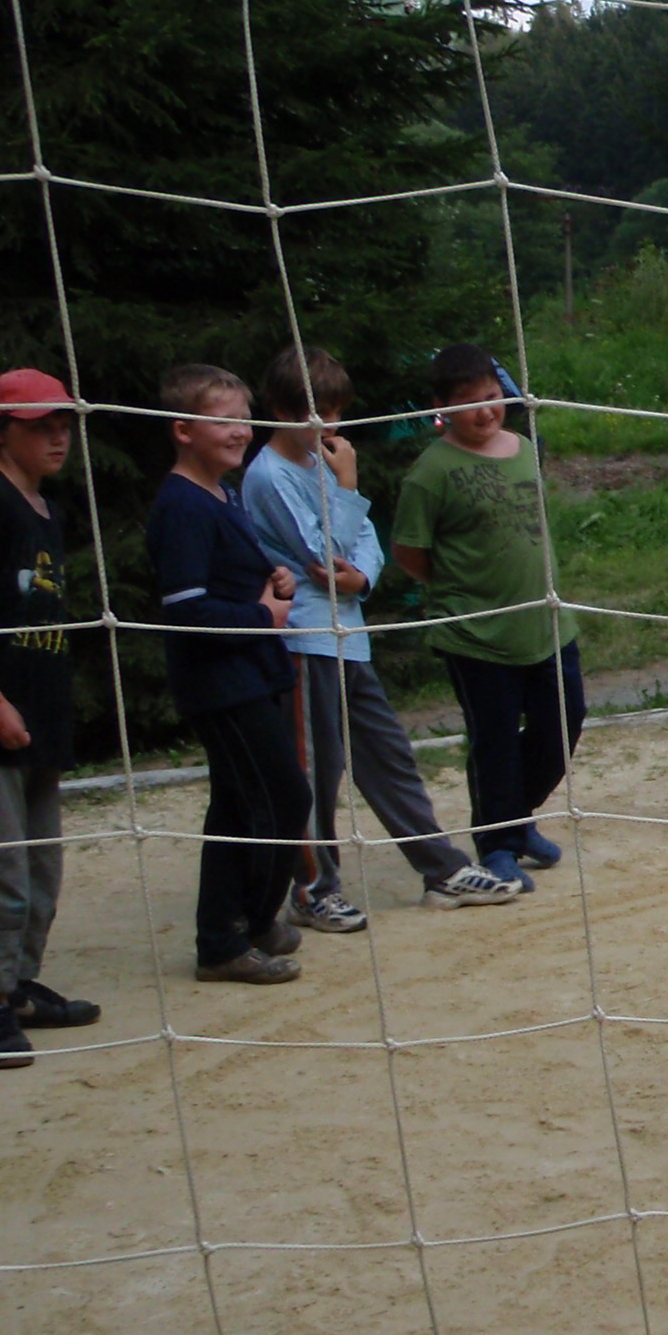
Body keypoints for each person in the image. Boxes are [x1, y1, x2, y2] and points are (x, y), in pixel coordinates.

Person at [241, 347, 520, 922]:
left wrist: (362, 577)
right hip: (304, 638)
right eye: (315, 414)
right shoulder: (268, 475)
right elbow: (324, 551)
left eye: (335, 412)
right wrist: (347, 486)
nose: (329, 426)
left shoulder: (321, 459)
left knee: (388, 754)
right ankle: (313, 891)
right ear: (281, 411)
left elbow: (362, 539)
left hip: (348, 632)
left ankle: (441, 869)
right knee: (317, 771)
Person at [392, 343, 580, 894]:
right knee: (493, 740)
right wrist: (461, 588)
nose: (485, 410)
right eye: (469, 402)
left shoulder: (524, 447)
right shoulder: (431, 471)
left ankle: (515, 818)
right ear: (442, 407)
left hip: (546, 623)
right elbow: (409, 552)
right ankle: (497, 844)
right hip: (475, 634)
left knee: (563, 722)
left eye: (493, 396)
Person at [146, 365, 311, 985]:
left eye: (244, 418)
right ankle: (230, 937)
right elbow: (187, 611)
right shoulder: (182, 505)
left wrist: (275, 577)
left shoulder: (223, 493)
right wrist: (264, 615)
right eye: (223, 420)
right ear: (182, 429)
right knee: (282, 797)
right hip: (221, 681)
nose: (240, 431)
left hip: (252, 671)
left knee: (239, 804)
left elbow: (228, 575)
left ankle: (241, 928)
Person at [0, 372, 101, 1065]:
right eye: (40, 424)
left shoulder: (48, 509)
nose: (58, 436)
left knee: (43, 865)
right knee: (0, 868)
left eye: (63, 423)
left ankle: (18, 986)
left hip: (42, 714)